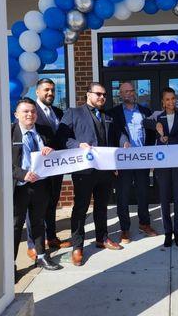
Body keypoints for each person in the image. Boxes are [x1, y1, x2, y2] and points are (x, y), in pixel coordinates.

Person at [58, 82, 122, 267]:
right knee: (80, 208)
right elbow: (63, 137)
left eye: (104, 95)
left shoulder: (108, 116)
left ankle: (102, 238)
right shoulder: (73, 113)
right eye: (98, 94)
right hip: (84, 172)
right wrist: (78, 145)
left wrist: (124, 145)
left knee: (102, 206)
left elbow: (118, 136)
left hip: (105, 171)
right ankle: (77, 246)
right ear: (88, 95)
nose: (102, 97)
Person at [12, 97, 60, 271]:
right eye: (25, 111)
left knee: (39, 222)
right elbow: (1, 162)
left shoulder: (45, 132)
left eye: (33, 111)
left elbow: (57, 149)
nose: (30, 114)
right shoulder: (8, 133)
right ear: (16, 114)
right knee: (15, 227)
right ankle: (12, 265)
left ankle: (41, 256)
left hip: (41, 186)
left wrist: (52, 150)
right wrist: (23, 174)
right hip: (19, 187)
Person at [25, 78, 69, 262]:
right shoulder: (30, 113)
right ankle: (32, 245)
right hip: (37, 170)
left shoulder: (58, 112)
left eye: (52, 90)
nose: (50, 93)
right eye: (46, 90)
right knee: (34, 208)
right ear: (37, 92)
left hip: (56, 168)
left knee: (52, 203)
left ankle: (51, 237)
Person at [108, 82, 158, 244]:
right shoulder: (113, 114)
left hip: (142, 160)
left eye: (131, 90)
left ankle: (145, 224)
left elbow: (151, 134)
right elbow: (111, 138)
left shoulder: (145, 111)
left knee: (143, 193)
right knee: (123, 196)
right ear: (120, 95)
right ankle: (125, 229)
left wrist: (150, 155)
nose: (129, 93)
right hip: (123, 162)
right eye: (125, 91)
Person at [143, 87, 178, 247]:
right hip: (162, 165)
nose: (170, 102)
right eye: (167, 99)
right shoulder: (157, 116)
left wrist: (168, 140)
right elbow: (143, 121)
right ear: (163, 101)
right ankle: (168, 233)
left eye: (173, 99)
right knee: (164, 199)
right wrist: (156, 125)